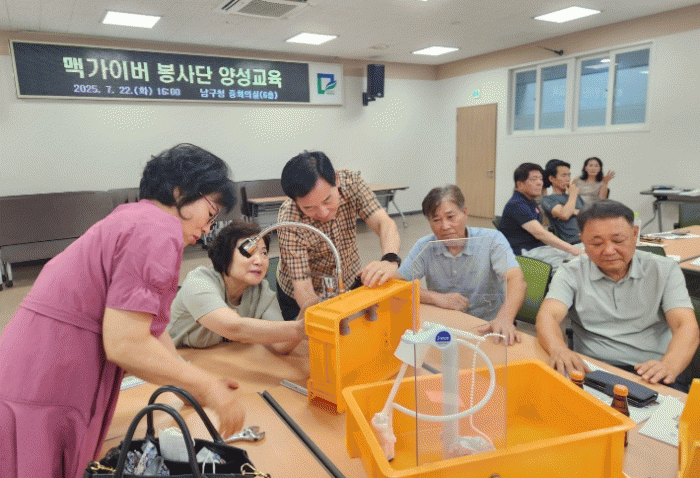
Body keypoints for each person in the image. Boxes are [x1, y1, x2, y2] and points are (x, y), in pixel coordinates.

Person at [0, 144, 245, 478]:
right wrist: (207, 386)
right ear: (180, 192)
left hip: (34, 369)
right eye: (211, 213)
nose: (207, 228)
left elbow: (149, 332)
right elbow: (126, 343)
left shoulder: (134, 218)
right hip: (46, 380)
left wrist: (190, 383)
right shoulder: (157, 229)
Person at [536, 199, 699, 391]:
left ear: (635, 234)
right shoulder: (571, 272)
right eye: (596, 243)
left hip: (651, 371)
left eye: (618, 241)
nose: (608, 251)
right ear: (582, 241)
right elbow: (548, 316)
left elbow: (685, 325)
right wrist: (559, 349)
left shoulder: (664, 269)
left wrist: (669, 365)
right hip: (591, 368)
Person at [276, 151, 401, 321]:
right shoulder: (289, 219)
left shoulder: (352, 184)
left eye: (327, 200)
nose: (323, 213)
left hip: (348, 279)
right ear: (295, 201)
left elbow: (383, 223)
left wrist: (389, 259)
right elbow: (303, 288)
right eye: (309, 208)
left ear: (336, 179)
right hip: (303, 296)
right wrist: (329, 319)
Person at [396, 185, 526, 345]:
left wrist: (505, 318)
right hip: (445, 327)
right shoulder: (424, 246)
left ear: (465, 212)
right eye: (436, 220)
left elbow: (517, 279)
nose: (445, 226)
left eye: (450, 217)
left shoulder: (491, 239)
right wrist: (436, 297)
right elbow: (398, 284)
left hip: (488, 326)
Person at [168, 220, 306, 353]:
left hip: (219, 359)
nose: (259, 261)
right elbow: (233, 327)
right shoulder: (199, 282)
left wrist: (308, 308)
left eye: (264, 253)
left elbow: (281, 343)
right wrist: (299, 328)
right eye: (249, 252)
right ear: (225, 255)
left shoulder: (261, 291)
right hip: (174, 358)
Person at [498, 162, 584, 271]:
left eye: (540, 179)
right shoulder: (517, 204)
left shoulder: (530, 201)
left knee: (585, 254)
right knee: (576, 265)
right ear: (520, 184)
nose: (539, 183)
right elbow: (540, 234)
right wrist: (573, 250)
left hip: (540, 248)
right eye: (534, 179)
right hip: (526, 254)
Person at [541, 160, 584, 244]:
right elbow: (565, 215)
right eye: (563, 175)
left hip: (589, 239)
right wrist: (573, 195)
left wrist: (573, 211)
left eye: (569, 175)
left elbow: (591, 215)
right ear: (551, 178)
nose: (568, 179)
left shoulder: (576, 197)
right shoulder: (547, 199)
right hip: (572, 243)